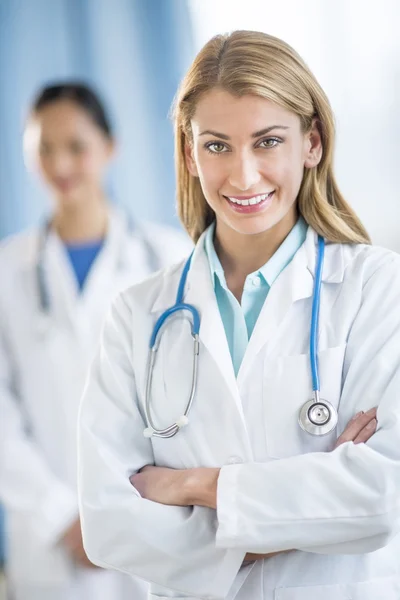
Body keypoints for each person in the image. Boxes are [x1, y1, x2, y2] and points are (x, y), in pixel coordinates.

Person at [77, 31, 400, 600]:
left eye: (268, 141)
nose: (243, 176)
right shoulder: (136, 315)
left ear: (313, 143)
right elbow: (108, 523)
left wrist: (194, 486)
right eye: (217, 146)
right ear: (188, 152)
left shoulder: (377, 288)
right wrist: (300, 518)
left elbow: (381, 497)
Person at [0, 82, 192, 600]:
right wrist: (61, 518)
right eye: (44, 148)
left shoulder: (170, 259)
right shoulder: (7, 271)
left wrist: (136, 508)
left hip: (152, 521)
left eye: (76, 147)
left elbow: (195, 401)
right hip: (49, 543)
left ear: (110, 148)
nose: (60, 164)